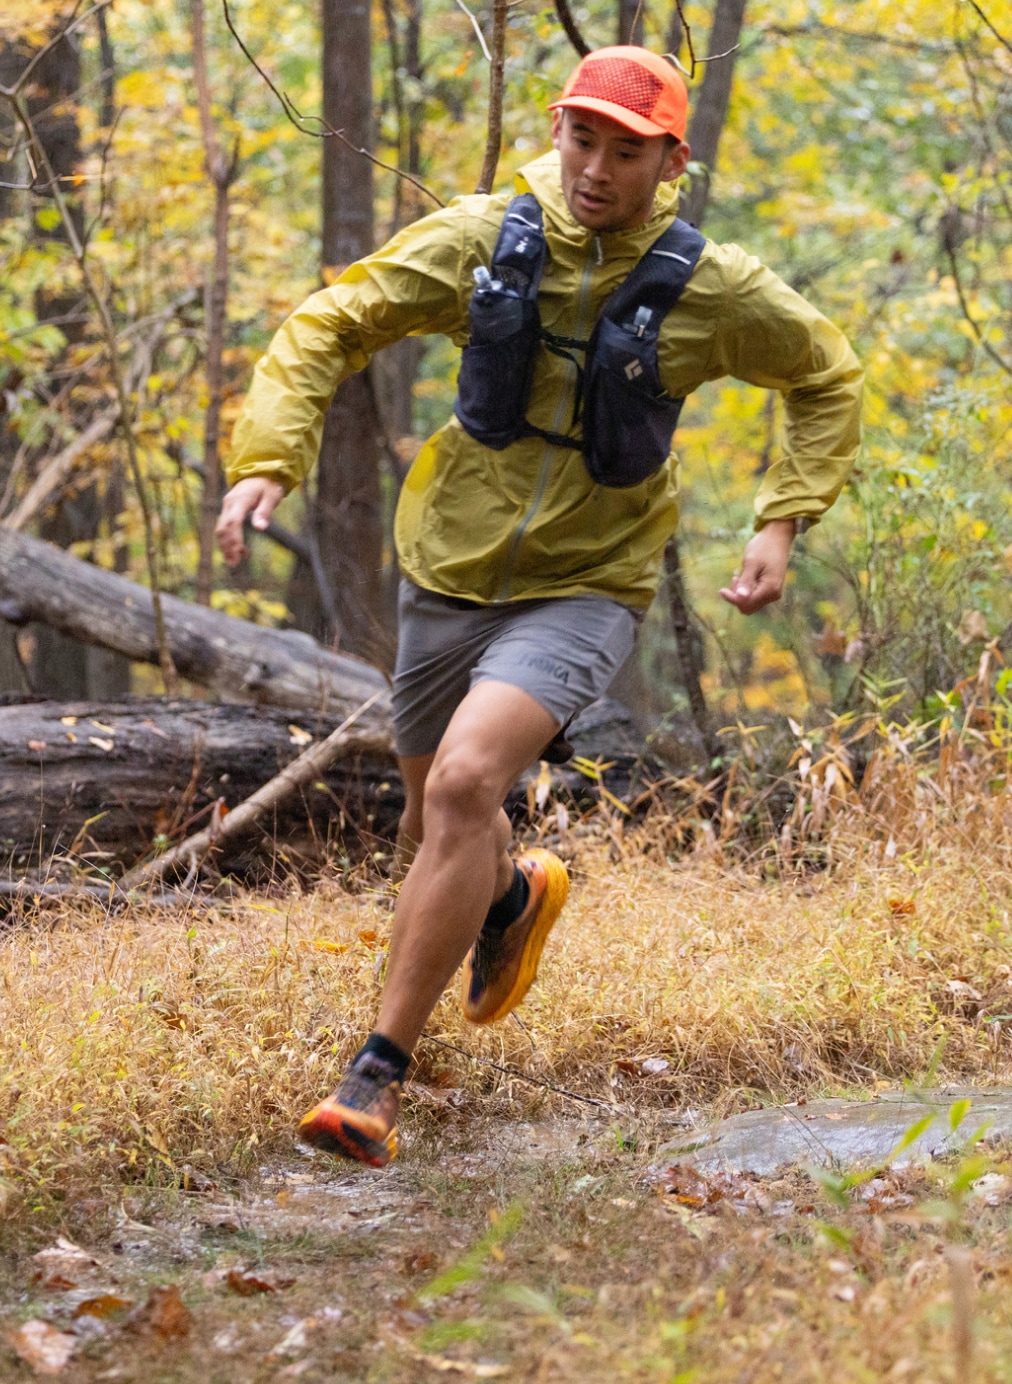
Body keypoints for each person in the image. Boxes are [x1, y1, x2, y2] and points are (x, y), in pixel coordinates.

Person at [216, 45, 863, 1166]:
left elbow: (826, 374)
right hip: (450, 563)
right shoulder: (484, 242)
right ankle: (511, 893)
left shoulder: (713, 287)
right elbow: (333, 322)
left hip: (591, 580)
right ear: (556, 132)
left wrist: (781, 518)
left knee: (471, 778)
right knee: (435, 827)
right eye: (582, 139)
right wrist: (270, 459)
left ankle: (373, 1077)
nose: (597, 169)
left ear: (673, 161)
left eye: (627, 151)